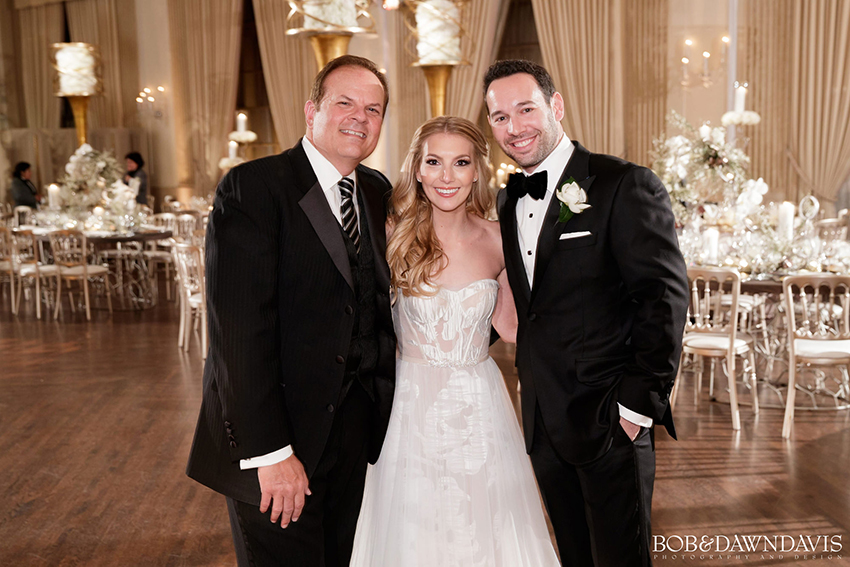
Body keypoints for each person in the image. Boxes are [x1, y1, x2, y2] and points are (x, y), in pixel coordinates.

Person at [186, 55, 397, 567]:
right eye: (344, 103)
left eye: (373, 109)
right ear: (311, 111)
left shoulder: (377, 191)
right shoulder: (254, 187)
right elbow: (239, 334)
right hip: (279, 438)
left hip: (354, 435)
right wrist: (271, 454)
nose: (360, 117)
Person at [484, 59, 689, 566]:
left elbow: (663, 297)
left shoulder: (624, 184)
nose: (514, 127)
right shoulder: (507, 200)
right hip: (542, 422)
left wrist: (636, 407)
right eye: (500, 117)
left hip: (609, 417)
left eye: (526, 109)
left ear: (555, 106)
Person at [350, 116, 560, 566]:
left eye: (460, 163)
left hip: (479, 408)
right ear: (417, 169)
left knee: (484, 528)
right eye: (434, 162)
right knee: (412, 532)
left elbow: (517, 327)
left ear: (477, 171)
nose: (447, 176)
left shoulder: (501, 240)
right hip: (407, 408)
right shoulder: (390, 236)